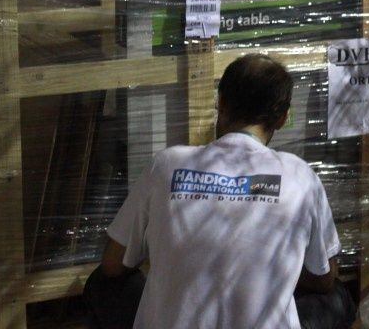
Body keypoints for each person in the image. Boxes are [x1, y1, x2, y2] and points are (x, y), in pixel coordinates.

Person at [93, 53, 354, 329]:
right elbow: (324, 276)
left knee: (101, 283)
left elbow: (112, 264)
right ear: (283, 117)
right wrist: (275, 269)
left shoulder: (167, 164)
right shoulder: (301, 176)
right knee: (337, 297)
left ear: (221, 103)